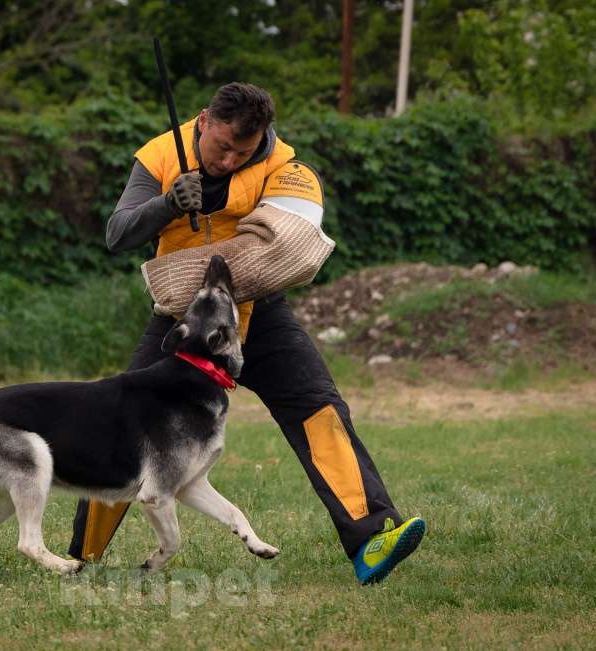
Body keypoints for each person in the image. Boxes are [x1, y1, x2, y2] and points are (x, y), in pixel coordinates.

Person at [68, 82, 424, 584]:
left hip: (261, 316)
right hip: (184, 326)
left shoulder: (287, 168)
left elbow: (290, 247)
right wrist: (167, 204)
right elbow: (118, 234)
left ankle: (373, 539)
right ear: (204, 120)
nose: (231, 160)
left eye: (244, 151)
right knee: (126, 425)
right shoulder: (159, 155)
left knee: (320, 410)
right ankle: (82, 557)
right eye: (223, 147)